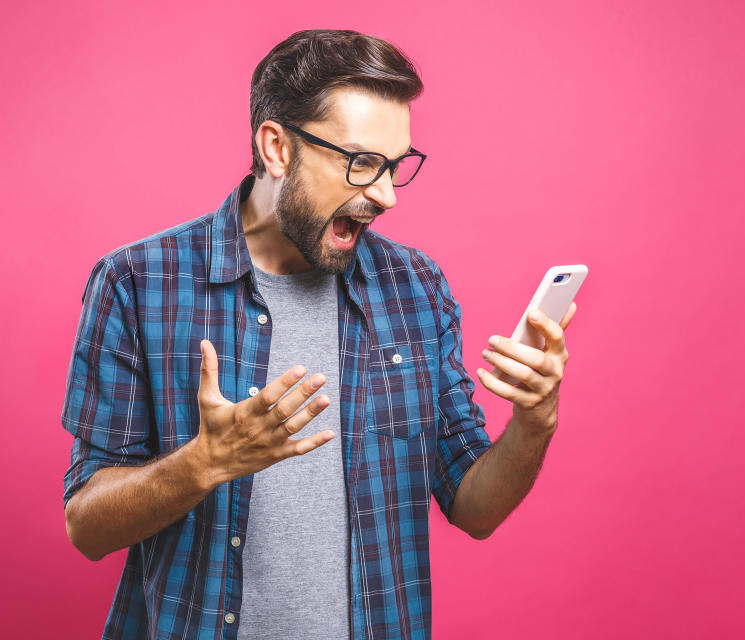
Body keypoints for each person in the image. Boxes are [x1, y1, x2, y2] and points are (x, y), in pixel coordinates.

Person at [61, 29, 576, 640]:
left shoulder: (415, 287)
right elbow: (86, 526)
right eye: (362, 163)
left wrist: (535, 421)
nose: (385, 194)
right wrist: (203, 464)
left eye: (396, 166)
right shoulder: (138, 283)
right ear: (277, 148)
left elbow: (474, 506)